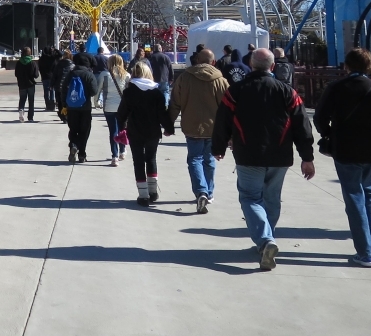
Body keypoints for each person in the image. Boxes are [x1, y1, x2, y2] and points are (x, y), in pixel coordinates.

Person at [212, 48, 315, 271]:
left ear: (251, 64)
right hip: (279, 155)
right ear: (273, 66)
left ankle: (265, 239)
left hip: (248, 154)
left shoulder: (236, 91)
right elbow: (302, 125)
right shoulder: (287, 92)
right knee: (272, 198)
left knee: (250, 198)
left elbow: (222, 121)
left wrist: (218, 147)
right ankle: (267, 237)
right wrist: (307, 157)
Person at [313, 47, 371, 267]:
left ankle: (364, 252)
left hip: (346, 148)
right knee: (368, 192)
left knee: (354, 197)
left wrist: (327, 134)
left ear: (347, 65)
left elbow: (321, 117)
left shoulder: (336, 88)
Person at [168, 49, 229, 214]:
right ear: (213, 62)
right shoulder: (221, 81)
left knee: (195, 159)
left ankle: (201, 191)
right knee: (209, 160)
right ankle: (208, 192)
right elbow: (228, 108)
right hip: (213, 128)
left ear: (197, 60)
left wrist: (169, 124)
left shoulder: (185, 78)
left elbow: (175, 103)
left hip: (192, 125)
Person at [117, 61, 173, 205]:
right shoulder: (156, 92)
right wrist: (168, 128)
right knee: (151, 159)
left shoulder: (129, 92)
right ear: (148, 73)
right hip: (153, 132)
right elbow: (163, 114)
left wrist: (122, 126)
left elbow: (122, 113)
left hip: (135, 131)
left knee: (138, 161)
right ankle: (153, 192)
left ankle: (143, 195)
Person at [60, 51, 100, 163]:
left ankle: (73, 144)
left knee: (73, 129)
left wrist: (64, 105)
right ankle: (82, 154)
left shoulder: (70, 74)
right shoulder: (89, 74)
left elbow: (63, 89)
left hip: (71, 107)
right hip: (85, 107)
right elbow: (94, 91)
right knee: (85, 131)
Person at [99, 54, 130, 166]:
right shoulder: (126, 75)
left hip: (109, 107)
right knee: (123, 129)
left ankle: (114, 156)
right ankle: (122, 151)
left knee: (113, 131)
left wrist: (96, 101)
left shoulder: (105, 74)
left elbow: (99, 89)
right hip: (123, 107)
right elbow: (128, 93)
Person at [15, 46, 40, 122]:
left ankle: (21, 109)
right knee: (31, 101)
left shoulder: (19, 63)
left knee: (22, 99)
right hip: (30, 84)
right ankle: (30, 117)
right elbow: (36, 75)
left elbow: (16, 74)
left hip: (22, 84)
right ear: (30, 53)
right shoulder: (32, 63)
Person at [51, 49, 74, 123]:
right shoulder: (73, 65)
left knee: (60, 102)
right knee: (68, 101)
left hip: (58, 86)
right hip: (69, 87)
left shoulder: (59, 64)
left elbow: (54, 75)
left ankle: (63, 116)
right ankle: (67, 115)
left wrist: (51, 84)